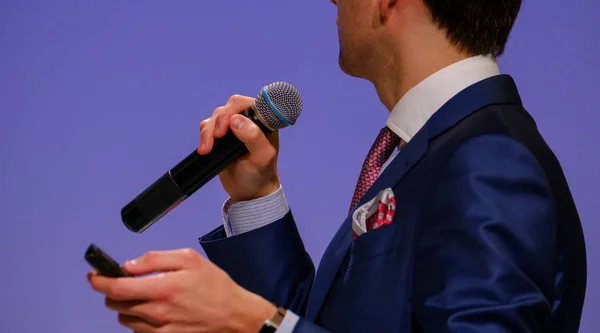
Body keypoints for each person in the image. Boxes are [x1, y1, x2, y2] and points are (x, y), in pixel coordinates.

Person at [88, 0, 587, 332]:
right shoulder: (435, 152)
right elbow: (326, 322)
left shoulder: (489, 160)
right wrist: (256, 197)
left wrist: (251, 322)